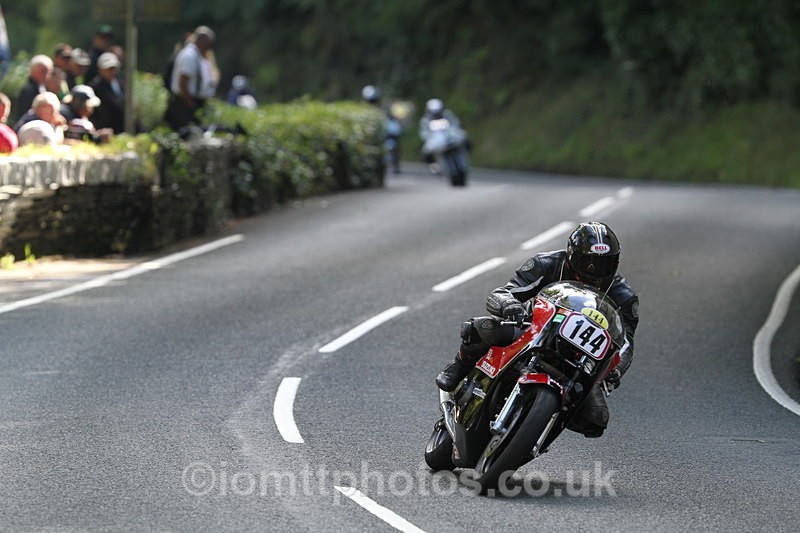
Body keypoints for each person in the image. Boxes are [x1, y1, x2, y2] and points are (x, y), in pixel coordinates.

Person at [435, 221, 640, 438]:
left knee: (596, 420)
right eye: (588, 263)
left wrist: (615, 370)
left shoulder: (624, 296)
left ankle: (542, 435)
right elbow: (504, 292)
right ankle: (459, 366)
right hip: (533, 331)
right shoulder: (546, 264)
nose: (595, 271)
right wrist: (510, 305)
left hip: (578, 358)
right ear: (572, 256)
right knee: (481, 327)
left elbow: (625, 342)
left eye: (604, 264)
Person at [164, 25, 217, 133]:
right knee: (187, 133)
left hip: (191, 101)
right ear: (202, 42)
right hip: (184, 102)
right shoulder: (190, 55)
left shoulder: (199, 56)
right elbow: (183, 81)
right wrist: (190, 102)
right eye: (207, 45)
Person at [362, 84, 403, 173]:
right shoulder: (362, 112)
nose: (372, 103)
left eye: (374, 101)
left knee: (393, 145)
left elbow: (392, 122)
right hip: (372, 138)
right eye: (370, 101)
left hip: (384, 136)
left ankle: (395, 165)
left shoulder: (384, 110)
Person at [88, 52, 125, 133]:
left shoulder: (120, 82)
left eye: (113, 68)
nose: (111, 71)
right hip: (106, 128)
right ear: (100, 69)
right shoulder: (95, 87)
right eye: (108, 69)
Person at [13, 54, 53, 124]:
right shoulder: (28, 90)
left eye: (48, 72)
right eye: (43, 72)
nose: (46, 76)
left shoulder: (41, 87)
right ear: (33, 71)